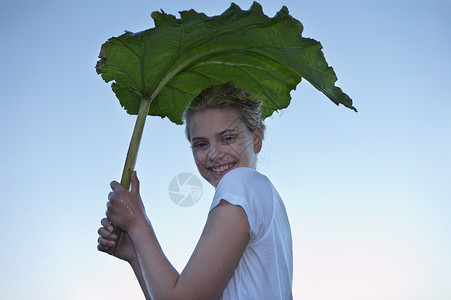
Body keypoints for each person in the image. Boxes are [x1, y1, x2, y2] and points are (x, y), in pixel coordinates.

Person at [97, 82, 293, 299]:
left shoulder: (241, 183)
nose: (213, 154)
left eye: (227, 138)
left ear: (256, 139)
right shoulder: (265, 198)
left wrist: (136, 222)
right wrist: (135, 255)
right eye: (200, 144)